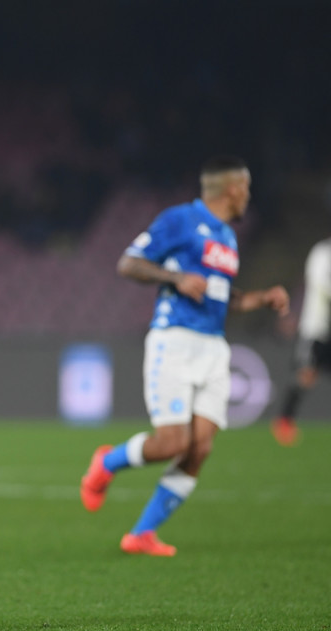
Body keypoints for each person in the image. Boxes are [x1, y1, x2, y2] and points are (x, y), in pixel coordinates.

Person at [80, 156, 289, 556]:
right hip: (174, 340)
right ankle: (107, 463)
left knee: (200, 448)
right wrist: (175, 277)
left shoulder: (227, 237)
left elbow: (223, 297)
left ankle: (141, 533)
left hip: (214, 347)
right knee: (172, 443)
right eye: (246, 188)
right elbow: (129, 264)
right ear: (232, 189)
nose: (248, 196)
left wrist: (261, 298)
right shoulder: (180, 220)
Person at [272, 236, 331, 446]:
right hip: (317, 326)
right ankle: (285, 421)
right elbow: (320, 284)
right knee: (307, 374)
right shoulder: (323, 252)